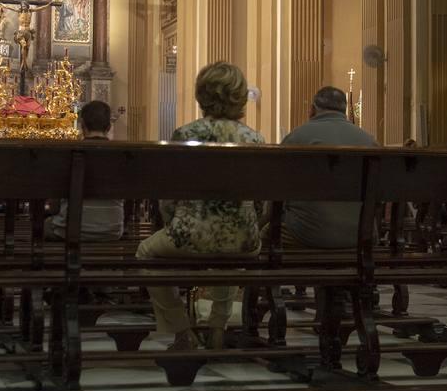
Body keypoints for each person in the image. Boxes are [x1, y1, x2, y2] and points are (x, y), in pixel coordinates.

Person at [136, 62, 264, 350]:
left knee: (145, 253)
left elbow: (167, 194)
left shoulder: (185, 134)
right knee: (229, 251)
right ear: (240, 95)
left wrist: (175, 222)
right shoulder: (254, 138)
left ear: (201, 94)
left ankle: (183, 331)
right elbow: (260, 202)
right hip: (245, 239)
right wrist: (249, 222)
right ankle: (218, 327)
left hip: (192, 235)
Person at [279, 86, 378, 249]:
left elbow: (277, 189)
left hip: (306, 235)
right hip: (361, 234)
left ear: (312, 110)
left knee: (264, 237)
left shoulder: (296, 138)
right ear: (345, 111)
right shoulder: (370, 142)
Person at [46, 100, 125, 241]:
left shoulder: (68, 153)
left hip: (68, 231)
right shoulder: (122, 155)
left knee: (45, 225)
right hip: (112, 231)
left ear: (82, 126)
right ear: (108, 127)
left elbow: (54, 207)